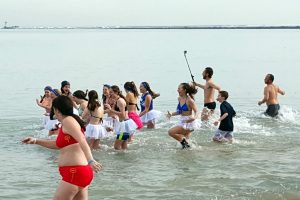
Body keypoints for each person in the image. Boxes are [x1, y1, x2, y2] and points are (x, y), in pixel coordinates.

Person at [22, 95, 102, 200]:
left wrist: (91, 160)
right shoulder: (69, 121)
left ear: (57, 110)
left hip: (74, 172)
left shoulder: (68, 120)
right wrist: (36, 141)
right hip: (79, 172)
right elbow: (58, 144)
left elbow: (82, 140)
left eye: (53, 109)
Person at [167, 83, 199, 149]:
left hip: (189, 122)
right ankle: (188, 147)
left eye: (179, 88)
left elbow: (197, 111)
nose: (177, 90)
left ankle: (185, 144)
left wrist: (193, 118)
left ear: (184, 90)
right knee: (186, 142)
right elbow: (180, 111)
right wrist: (171, 114)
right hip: (182, 120)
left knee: (170, 132)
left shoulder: (189, 100)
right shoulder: (179, 98)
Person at [104, 85, 137, 150]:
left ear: (116, 92)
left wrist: (111, 110)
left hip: (124, 126)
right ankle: (125, 159)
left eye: (111, 92)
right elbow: (111, 111)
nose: (110, 94)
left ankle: (119, 159)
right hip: (123, 125)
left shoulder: (120, 101)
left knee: (116, 146)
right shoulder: (116, 100)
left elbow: (123, 115)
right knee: (124, 146)